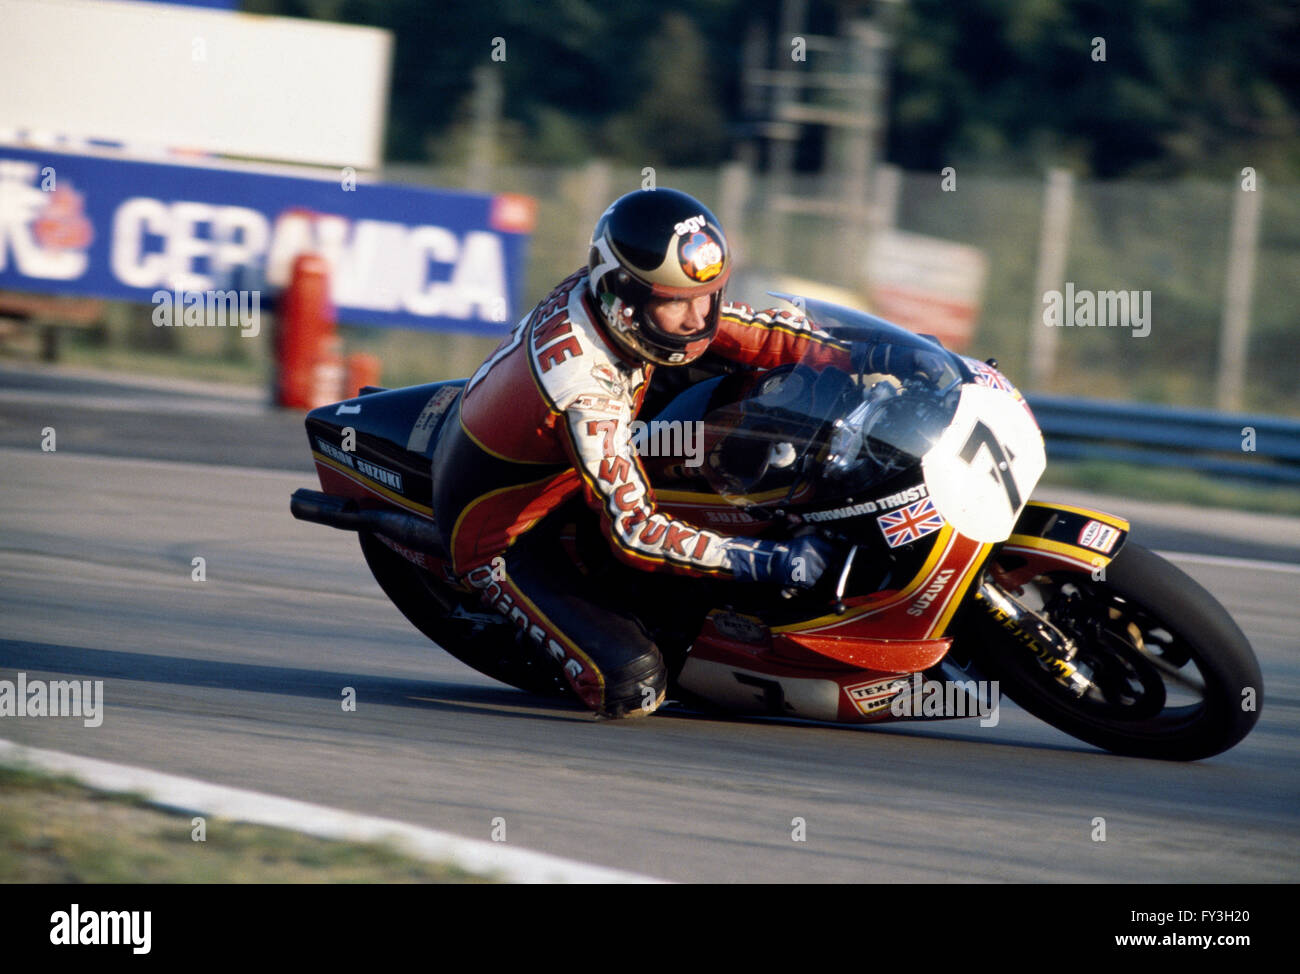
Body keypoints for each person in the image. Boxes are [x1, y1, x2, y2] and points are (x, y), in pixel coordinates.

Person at [430, 187, 850, 718]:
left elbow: (754, 331)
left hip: (575, 445)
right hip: (507, 529)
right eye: (677, 303)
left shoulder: (631, 308)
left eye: (709, 294)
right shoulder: (583, 389)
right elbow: (635, 532)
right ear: (623, 300)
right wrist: (768, 561)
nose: (700, 318)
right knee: (635, 689)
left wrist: (864, 352)